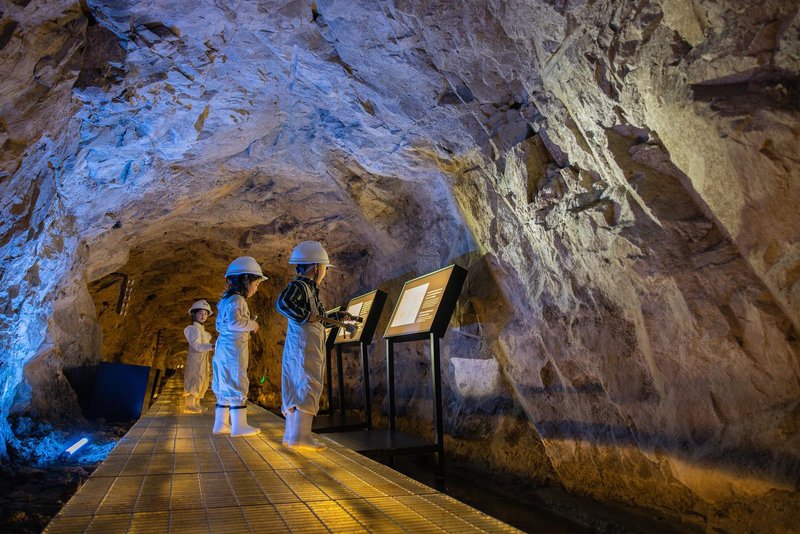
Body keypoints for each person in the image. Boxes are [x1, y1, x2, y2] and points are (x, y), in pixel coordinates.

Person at [276, 241, 352, 450]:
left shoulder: (310, 289)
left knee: (296, 384)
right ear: (315, 267)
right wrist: (305, 316)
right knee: (308, 383)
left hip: (302, 343)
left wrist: (336, 317)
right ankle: (301, 436)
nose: (325, 273)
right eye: (325, 268)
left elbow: (317, 318)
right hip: (305, 344)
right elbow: (282, 303)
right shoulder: (299, 286)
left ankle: (291, 435)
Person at [212, 256, 267, 437]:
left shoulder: (225, 300)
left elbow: (220, 324)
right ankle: (239, 426)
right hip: (234, 347)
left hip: (223, 346)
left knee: (224, 381)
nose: (256, 288)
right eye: (256, 284)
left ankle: (221, 424)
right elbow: (235, 323)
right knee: (236, 379)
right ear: (245, 280)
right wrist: (252, 324)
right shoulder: (238, 300)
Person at [183, 299, 214, 414]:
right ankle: (189, 405)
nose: (203, 316)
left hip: (202, 361)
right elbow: (197, 346)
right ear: (193, 314)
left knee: (202, 380)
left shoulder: (203, 331)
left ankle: (196, 403)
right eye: (200, 313)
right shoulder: (193, 329)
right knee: (194, 379)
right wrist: (211, 346)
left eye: (205, 314)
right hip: (195, 361)